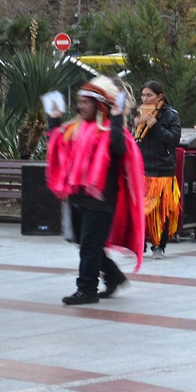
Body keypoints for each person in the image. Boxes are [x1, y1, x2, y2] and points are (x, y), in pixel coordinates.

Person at [46, 75, 145, 304]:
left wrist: (118, 119)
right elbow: (58, 147)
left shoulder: (110, 131)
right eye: (79, 102)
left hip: (101, 202)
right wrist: (54, 122)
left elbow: (119, 150)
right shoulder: (75, 129)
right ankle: (114, 276)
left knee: (89, 247)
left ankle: (87, 289)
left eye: (86, 102)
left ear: (100, 105)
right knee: (87, 244)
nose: (80, 106)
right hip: (78, 198)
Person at [134, 81, 181, 259]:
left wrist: (155, 125)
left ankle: (159, 245)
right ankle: (139, 243)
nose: (145, 99)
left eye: (149, 95)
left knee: (162, 211)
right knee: (140, 210)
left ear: (159, 97)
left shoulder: (171, 116)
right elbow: (135, 142)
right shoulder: (140, 113)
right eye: (143, 95)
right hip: (143, 169)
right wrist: (135, 126)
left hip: (163, 170)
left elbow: (173, 140)